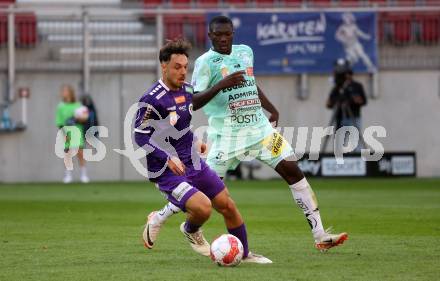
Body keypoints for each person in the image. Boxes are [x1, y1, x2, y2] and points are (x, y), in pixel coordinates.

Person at [144, 15, 348, 253]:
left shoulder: (245, 52)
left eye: (227, 34)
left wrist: (270, 107)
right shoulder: (205, 62)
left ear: (233, 34)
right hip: (227, 137)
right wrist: (222, 84)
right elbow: (193, 101)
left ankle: (320, 234)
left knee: (293, 170)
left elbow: (249, 83)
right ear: (210, 36)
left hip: (261, 131)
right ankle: (161, 218)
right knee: (205, 193)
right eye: (217, 35)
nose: (223, 38)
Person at [134, 38, 271, 263]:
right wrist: (168, 159)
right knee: (203, 208)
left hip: (193, 161)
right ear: (164, 66)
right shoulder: (152, 99)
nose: (182, 72)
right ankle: (190, 229)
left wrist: (196, 140)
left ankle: (244, 254)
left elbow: (180, 126)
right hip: (167, 171)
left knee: (227, 204)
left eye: (185, 67)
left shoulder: (188, 90)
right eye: (177, 67)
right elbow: (140, 136)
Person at [326, 58, 367, 151]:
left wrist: (351, 98)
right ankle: (340, 159)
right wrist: (337, 98)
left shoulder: (356, 86)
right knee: (340, 143)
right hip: (340, 118)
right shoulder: (337, 88)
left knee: (355, 141)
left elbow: (363, 101)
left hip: (353, 117)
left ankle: (358, 159)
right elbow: (328, 104)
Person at [55, 85, 90, 183]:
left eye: (65, 91)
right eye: (63, 91)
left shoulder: (78, 105)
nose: (63, 93)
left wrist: (79, 119)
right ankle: (68, 175)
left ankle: (83, 175)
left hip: (77, 131)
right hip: (67, 132)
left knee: (80, 153)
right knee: (68, 154)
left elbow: (84, 119)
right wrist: (64, 133)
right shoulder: (61, 106)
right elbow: (59, 121)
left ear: (70, 92)